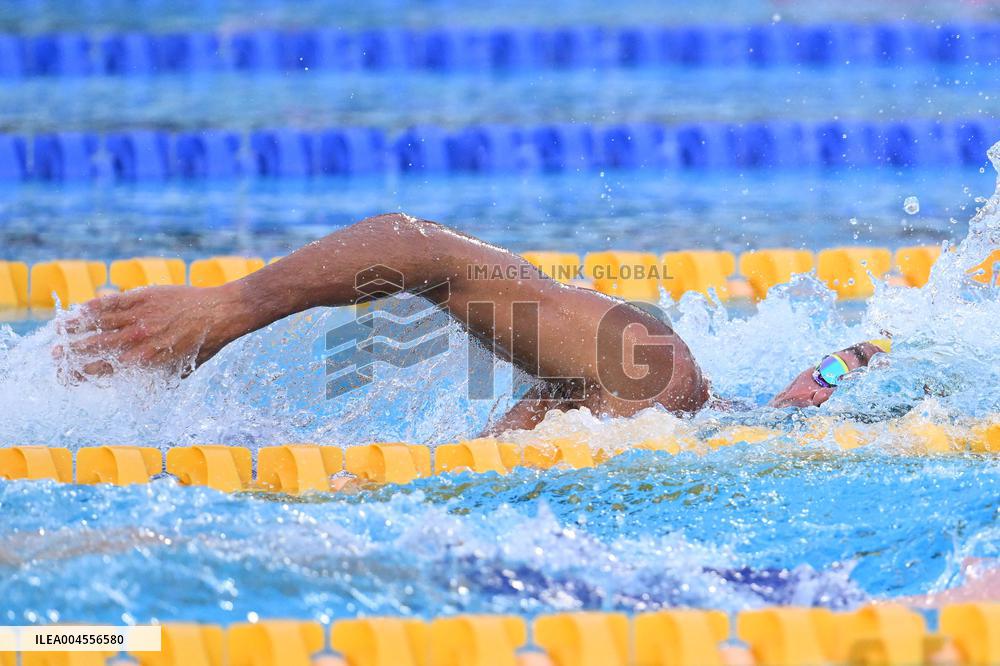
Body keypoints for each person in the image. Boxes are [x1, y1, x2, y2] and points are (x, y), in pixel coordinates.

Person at [66, 214, 888, 430]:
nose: (819, 384)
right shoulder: (652, 368)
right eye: (831, 369)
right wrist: (229, 307)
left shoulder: (643, 417)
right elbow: (417, 247)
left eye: (832, 379)